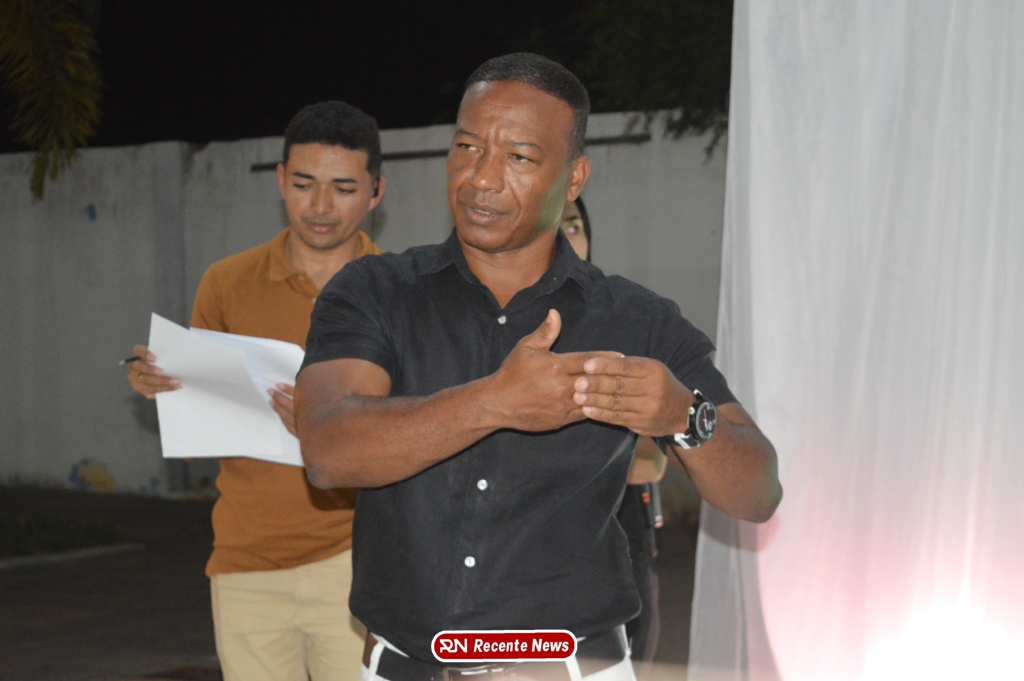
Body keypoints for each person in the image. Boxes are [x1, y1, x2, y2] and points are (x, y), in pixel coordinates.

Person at [296, 53, 782, 681]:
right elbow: (327, 450)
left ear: (574, 177)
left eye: (519, 157)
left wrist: (682, 415)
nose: (481, 178)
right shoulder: (375, 291)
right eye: (467, 147)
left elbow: (759, 492)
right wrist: (494, 402)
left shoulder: (636, 320)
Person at [125, 101, 385, 681]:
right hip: (245, 564)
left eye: (343, 188)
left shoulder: (401, 291)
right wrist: (166, 389)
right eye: (304, 184)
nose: (320, 206)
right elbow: (198, 432)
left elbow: (422, 435)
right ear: (280, 180)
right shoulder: (227, 282)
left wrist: (328, 430)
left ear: (376, 191)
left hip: (361, 561)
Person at [561, 196, 665, 673]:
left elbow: (649, 462)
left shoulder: (620, 325)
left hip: (619, 533)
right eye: (553, 226)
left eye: (575, 225)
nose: (567, 239)